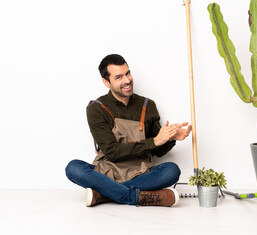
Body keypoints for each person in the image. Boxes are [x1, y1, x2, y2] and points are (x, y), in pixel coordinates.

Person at [65, 54, 192, 207]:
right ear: (106, 82)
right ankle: (136, 197)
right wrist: (154, 141)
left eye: (128, 73)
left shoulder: (147, 105)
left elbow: (157, 151)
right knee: (73, 168)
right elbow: (112, 151)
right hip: (107, 172)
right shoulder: (96, 108)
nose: (127, 80)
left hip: (141, 172)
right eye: (118, 77)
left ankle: (105, 194)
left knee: (171, 170)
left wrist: (171, 138)